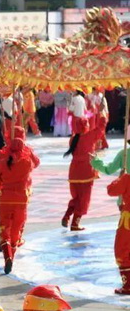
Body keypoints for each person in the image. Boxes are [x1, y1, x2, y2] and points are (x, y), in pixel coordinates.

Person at [0, 127, 40, 274]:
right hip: (21, 199)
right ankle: (12, 252)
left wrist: (2, 186)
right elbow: (36, 163)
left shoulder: (3, 160)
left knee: (4, 229)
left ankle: (7, 256)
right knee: (16, 229)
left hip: (5, 198)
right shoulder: (27, 162)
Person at [62, 90, 99, 231]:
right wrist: (102, 113)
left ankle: (67, 216)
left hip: (74, 172)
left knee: (76, 197)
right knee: (84, 199)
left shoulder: (73, 139)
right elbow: (101, 128)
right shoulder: (89, 137)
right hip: (86, 172)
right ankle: (75, 223)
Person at [105, 173, 130, 294]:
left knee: (122, 249)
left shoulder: (127, 179)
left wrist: (119, 179)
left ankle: (128, 285)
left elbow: (112, 190)